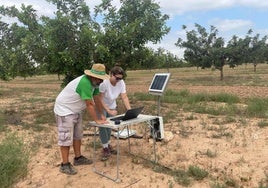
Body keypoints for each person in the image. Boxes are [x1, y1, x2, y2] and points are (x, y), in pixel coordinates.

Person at [54, 63, 109, 175]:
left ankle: (78, 158)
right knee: (65, 138)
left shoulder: (95, 84)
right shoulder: (84, 83)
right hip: (65, 110)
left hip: (76, 110)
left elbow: (96, 99)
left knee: (77, 135)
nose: (101, 81)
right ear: (93, 76)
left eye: (102, 79)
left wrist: (101, 114)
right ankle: (64, 164)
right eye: (100, 79)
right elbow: (89, 104)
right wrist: (97, 120)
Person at [99, 66, 131, 161]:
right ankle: (105, 148)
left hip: (112, 105)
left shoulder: (121, 83)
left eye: (120, 78)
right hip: (101, 105)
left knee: (110, 125)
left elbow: (124, 97)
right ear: (111, 75)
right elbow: (100, 99)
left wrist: (129, 110)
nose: (118, 80)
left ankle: (108, 145)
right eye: (117, 78)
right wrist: (108, 110)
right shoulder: (104, 83)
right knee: (103, 125)